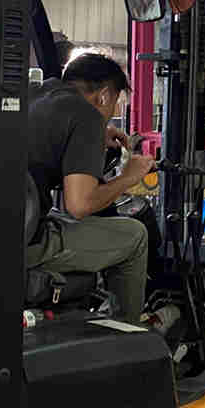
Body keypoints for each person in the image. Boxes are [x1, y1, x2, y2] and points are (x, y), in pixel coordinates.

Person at [26, 51, 155, 320]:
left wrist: (94, 140)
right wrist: (127, 177)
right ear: (104, 95)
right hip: (26, 245)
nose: (110, 115)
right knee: (136, 236)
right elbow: (80, 205)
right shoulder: (88, 117)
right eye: (114, 103)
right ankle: (126, 331)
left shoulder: (35, 95)